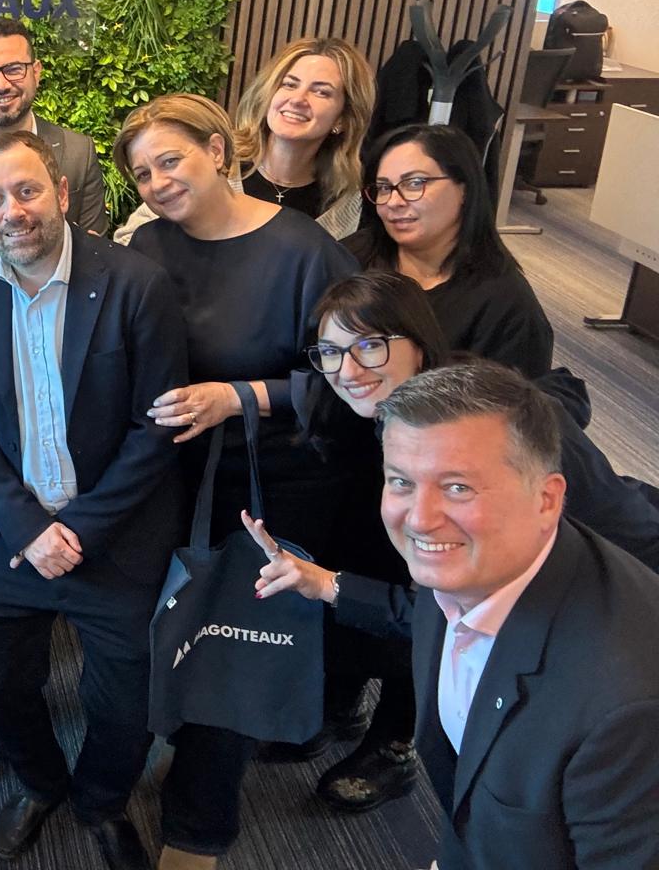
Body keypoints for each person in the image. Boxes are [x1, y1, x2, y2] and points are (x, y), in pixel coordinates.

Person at [247, 362, 659, 870]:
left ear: (547, 498)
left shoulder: (626, 711)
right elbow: (430, 617)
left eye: (458, 487)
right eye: (401, 482)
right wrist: (324, 584)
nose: (420, 519)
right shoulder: (481, 562)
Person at [293, 271, 659, 812]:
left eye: (369, 345)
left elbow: (626, 528)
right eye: (330, 351)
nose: (347, 370)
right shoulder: (390, 411)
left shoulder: (490, 429)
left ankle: (399, 748)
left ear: (419, 343)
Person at [113, 93, 356, 870]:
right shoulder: (148, 245)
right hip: (168, 476)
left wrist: (240, 396)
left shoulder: (304, 251)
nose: (157, 182)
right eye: (143, 174)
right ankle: (178, 753)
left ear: (218, 150)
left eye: (171, 160)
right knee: (169, 628)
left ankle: (199, 827)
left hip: (272, 479)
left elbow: (355, 376)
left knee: (232, 643)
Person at [0, 130, 189, 870]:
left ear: (62, 193)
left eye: (26, 191)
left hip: (113, 528)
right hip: (9, 529)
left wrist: (76, 529)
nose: (12, 211)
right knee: (1, 684)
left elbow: (157, 425)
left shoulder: (136, 283)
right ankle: (41, 783)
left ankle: (101, 802)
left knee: (127, 699)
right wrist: (28, 528)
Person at [116, 36, 374, 244]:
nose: (297, 99)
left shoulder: (348, 200)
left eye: (321, 92)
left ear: (343, 118)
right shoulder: (217, 163)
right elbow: (129, 242)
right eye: (289, 84)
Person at [345, 123, 553, 377]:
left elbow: (514, 398)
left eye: (415, 183)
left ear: (464, 188)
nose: (394, 202)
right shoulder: (350, 257)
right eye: (384, 187)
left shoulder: (507, 304)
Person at [0, 16, 108, 233]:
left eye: (14, 69)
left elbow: (95, 244)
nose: (1, 85)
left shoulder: (79, 152)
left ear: (36, 72)